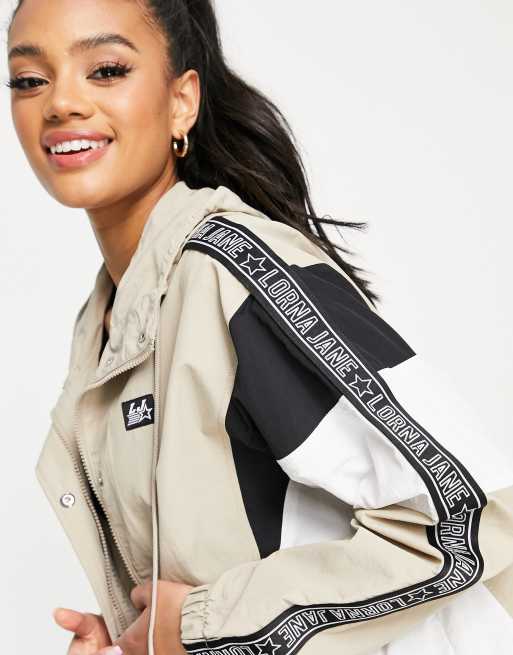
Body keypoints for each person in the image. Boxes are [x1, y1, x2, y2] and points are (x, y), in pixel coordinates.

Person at [6, 1, 513, 655]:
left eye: (105, 70)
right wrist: (136, 642)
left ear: (182, 101)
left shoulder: (232, 278)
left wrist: (202, 625)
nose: (60, 103)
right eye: (29, 79)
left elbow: (469, 518)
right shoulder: (107, 317)